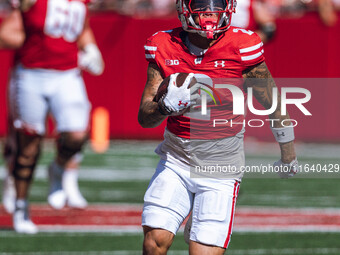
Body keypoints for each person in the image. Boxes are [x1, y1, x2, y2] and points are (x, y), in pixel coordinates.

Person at [138, 0, 298, 254]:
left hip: (221, 165)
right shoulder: (163, 45)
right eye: (201, 4)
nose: (210, 11)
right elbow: (144, 117)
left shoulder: (242, 46)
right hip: (176, 158)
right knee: (154, 243)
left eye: (216, 3)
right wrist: (163, 108)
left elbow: (272, 102)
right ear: (184, 8)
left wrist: (288, 153)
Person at [0, 0, 104, 234]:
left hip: (67, 74)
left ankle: (57, 169)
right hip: (31, 73)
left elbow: (83, 27)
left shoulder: (80, 2)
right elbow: (6, 34)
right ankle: (20, 207)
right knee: (28, 147)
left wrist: (90, 49)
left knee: (77, 134)